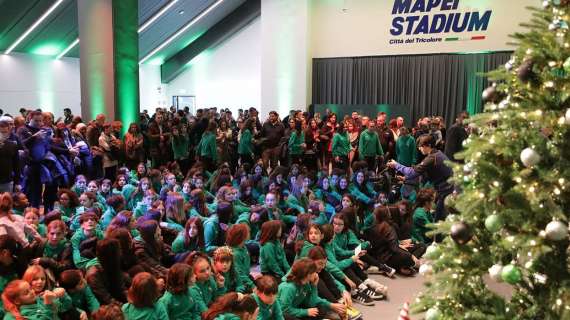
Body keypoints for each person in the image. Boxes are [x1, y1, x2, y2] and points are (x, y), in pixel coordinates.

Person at [388, 135, 454, 221]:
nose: (419, 149)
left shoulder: (431, 158)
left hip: (445, 191)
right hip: (447, 190)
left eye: (421, 146)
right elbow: (422, 174)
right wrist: (405, 179)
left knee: (439, 218)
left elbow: (412, 172)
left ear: (429, 145)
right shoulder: (438, 154)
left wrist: (396, 165)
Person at [278, 258, 346, 320]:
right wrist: (305, 312)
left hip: (295, 308)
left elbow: (311, 303)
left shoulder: (305, 283)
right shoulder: (288, 287)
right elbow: (284, 310)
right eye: (314, 272)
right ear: (308, 274)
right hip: (283, 315)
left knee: (320, 310)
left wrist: (314, 286)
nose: (316, 274)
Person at [1, 280, 66, 320]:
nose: (32, 292)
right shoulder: (23, 314)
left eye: (30, 288)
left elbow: (63, 307)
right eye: (26, 293)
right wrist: (48, 304)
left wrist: (61, 295)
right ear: (17, 301)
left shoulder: (40, 298)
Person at [0, 117, 20, 193]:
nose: (3, 135)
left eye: (5, 133)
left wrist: (17, 183)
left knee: (7, 204)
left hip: (7, 182)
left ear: (9, 132)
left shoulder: (13, 145)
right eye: (1, 132)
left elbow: (16, 165)